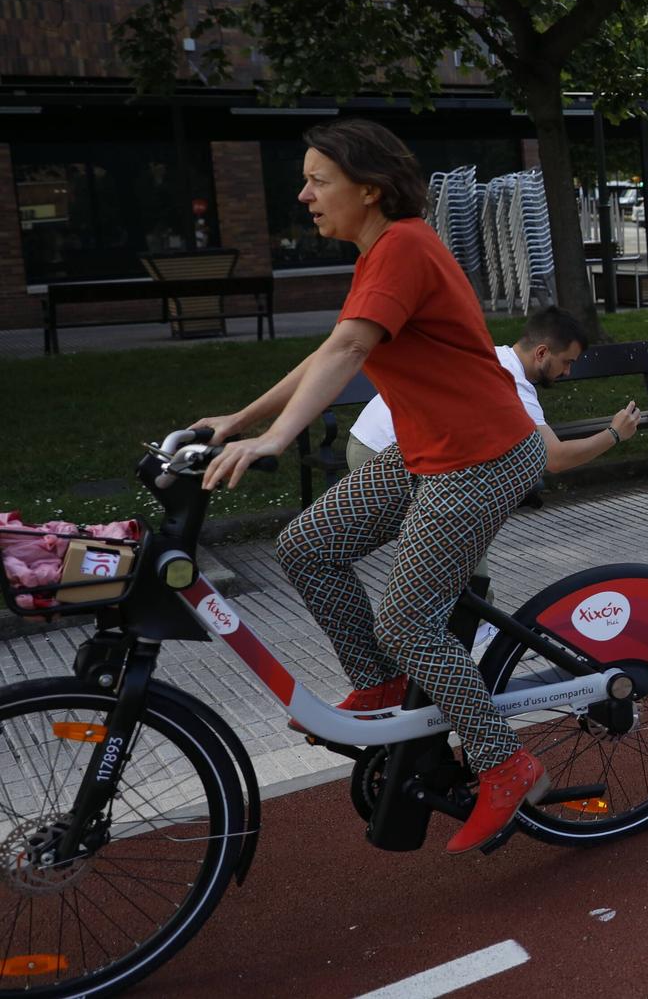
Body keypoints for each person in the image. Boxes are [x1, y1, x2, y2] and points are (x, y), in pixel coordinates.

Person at [194, 119, 550, 855]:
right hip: (427, 449)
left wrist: (276, 439)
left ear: (370, 188)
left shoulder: (405, 246)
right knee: (307, 544)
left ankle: (506, 762)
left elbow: (351, 348)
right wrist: (242, 418)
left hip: (480, 457)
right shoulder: (380, 254)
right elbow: (334, 347)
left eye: (318, 179)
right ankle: (384, 685)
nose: (303, 194)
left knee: (409, 620)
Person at [345, 305, 641, 474]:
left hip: (375, 439)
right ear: (541, 353)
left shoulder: (496, 356)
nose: (567, 372)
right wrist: (614, 434)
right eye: (566, 362)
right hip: (383, 449)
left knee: (461, 543)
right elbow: (554, 459)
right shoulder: (511, 382)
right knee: (458, 544)